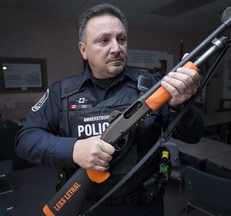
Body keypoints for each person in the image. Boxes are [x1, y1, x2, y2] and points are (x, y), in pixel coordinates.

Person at [15, 3, 204, 216]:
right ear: (83, 50)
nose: (116, 48)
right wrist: (73, 149)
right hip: (86, 205)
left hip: (144, 206)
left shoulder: (153, 86)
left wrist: (179, 104)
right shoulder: (61, 92)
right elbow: (26, 139)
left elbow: (193, 135)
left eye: (121, 39)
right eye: (104, 40)